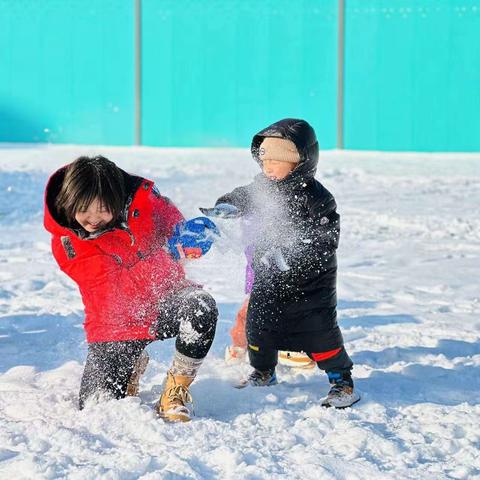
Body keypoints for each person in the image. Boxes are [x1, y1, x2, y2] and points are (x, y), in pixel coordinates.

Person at [44, 155, 219, 422]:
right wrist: (166, 253)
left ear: (117, 200)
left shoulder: (145, 203)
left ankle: (176, 388)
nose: (93, 219)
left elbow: (172, 224)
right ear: (69, 203)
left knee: (200, 306)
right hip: (116, 323)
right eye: (84, 210)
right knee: (98, 409)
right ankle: (133, 362)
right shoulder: (67, 243)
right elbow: (115, 288)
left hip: (165, 299)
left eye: (102, 209)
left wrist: (186, 238)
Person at [204, 118, 360, 408]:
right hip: (268, 277)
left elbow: (324, 240)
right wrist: (228, 204)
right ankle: (263, 371)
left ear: (300, 161)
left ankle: (341, 381)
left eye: (276, 161)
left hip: (310, 286)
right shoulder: (262, 187)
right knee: (259, 326)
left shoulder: (318, 198)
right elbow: (243, 196)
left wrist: (288, 255)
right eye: (264, 161)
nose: (268, 168)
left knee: (320, 333)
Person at [225, 245, 315, 369]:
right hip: (262, 270)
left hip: (288, 271)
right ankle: (239, 346)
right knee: (253, 309)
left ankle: (291, 345)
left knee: (291, 303)